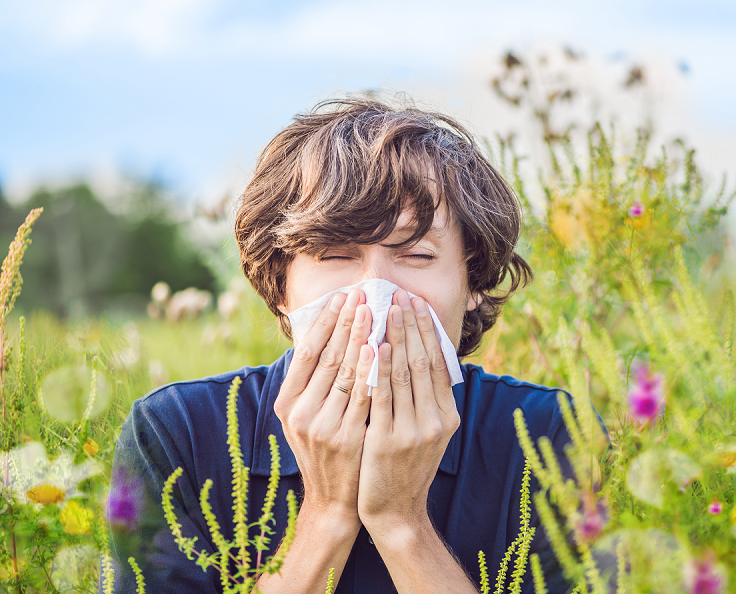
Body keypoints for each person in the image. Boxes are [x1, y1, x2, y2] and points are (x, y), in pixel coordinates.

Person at [107, 98, 579, 593]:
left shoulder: (544, 436)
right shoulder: (176, 434)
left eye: (417, 254)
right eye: (334, 253)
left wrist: (403, 525)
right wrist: (328, 513)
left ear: (473, 280)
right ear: (280, 284)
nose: (374, 292)